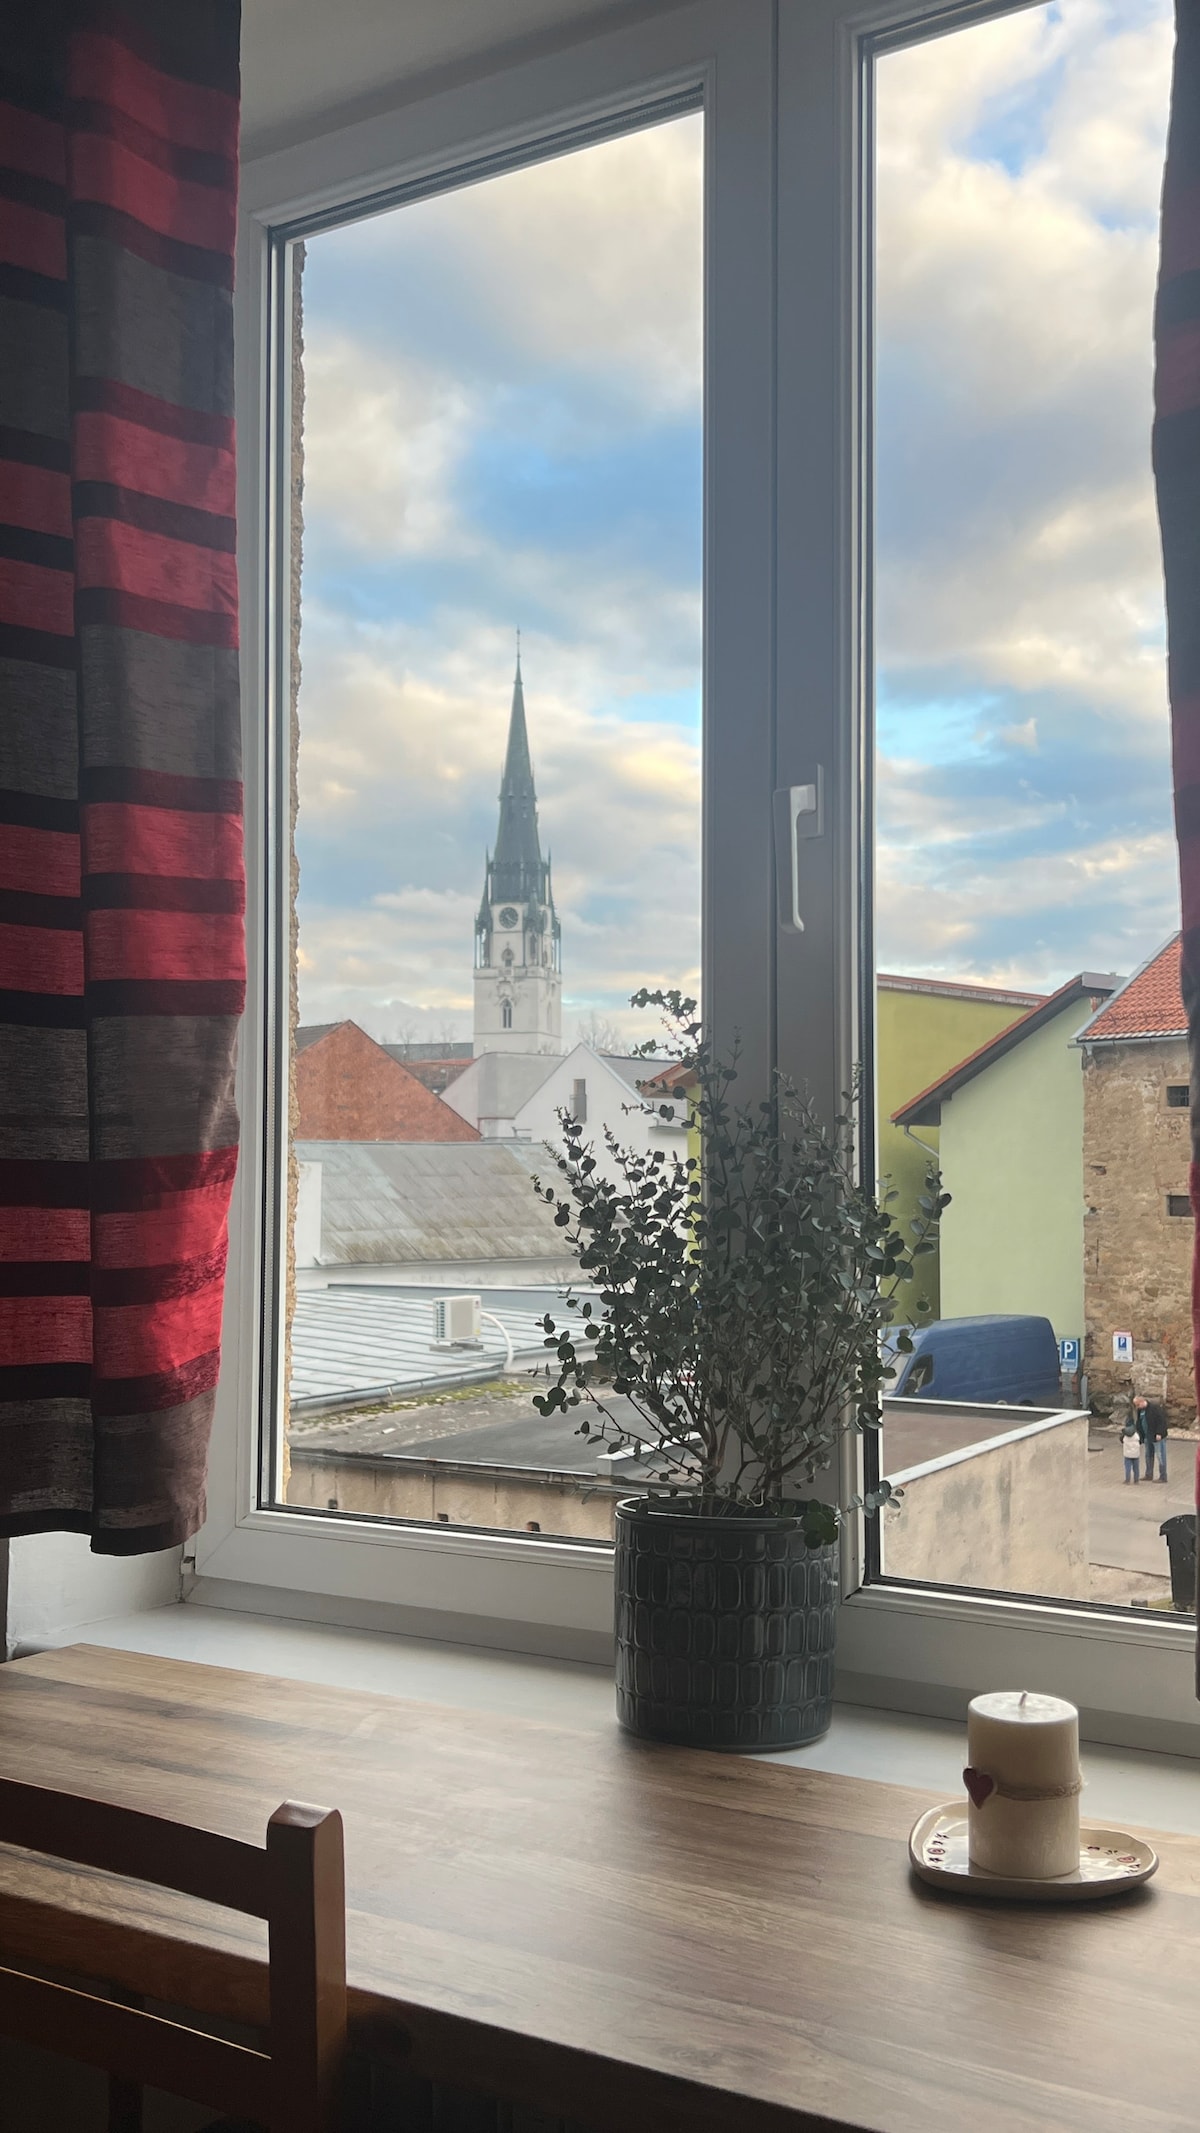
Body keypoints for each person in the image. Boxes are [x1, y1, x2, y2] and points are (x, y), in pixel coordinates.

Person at [1134, 1394, 1169, 1482]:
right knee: (1148, 1456)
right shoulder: (1140, 1410)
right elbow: (1139, 1422)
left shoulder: (1155, 1408)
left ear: (1142, 1401)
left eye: (1138, 1404)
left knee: (1160, 1456)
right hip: (1147, 1436)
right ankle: (1149, 1474)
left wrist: (1159, 1433)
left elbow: (1162, 1421)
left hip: (1157, 1436)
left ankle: (1163, 1476)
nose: (1137, 1407)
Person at [1120, 1410, 1142, 1484]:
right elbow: (1140, 1440)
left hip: (1127, 1453)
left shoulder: (1125, 1434)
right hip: (1136, 1453)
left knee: (1128, 1467)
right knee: (1136, 1467)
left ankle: (1127, 1480)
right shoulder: (1136, 1433)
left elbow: (1121, 1440)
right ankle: (1136, 1480)